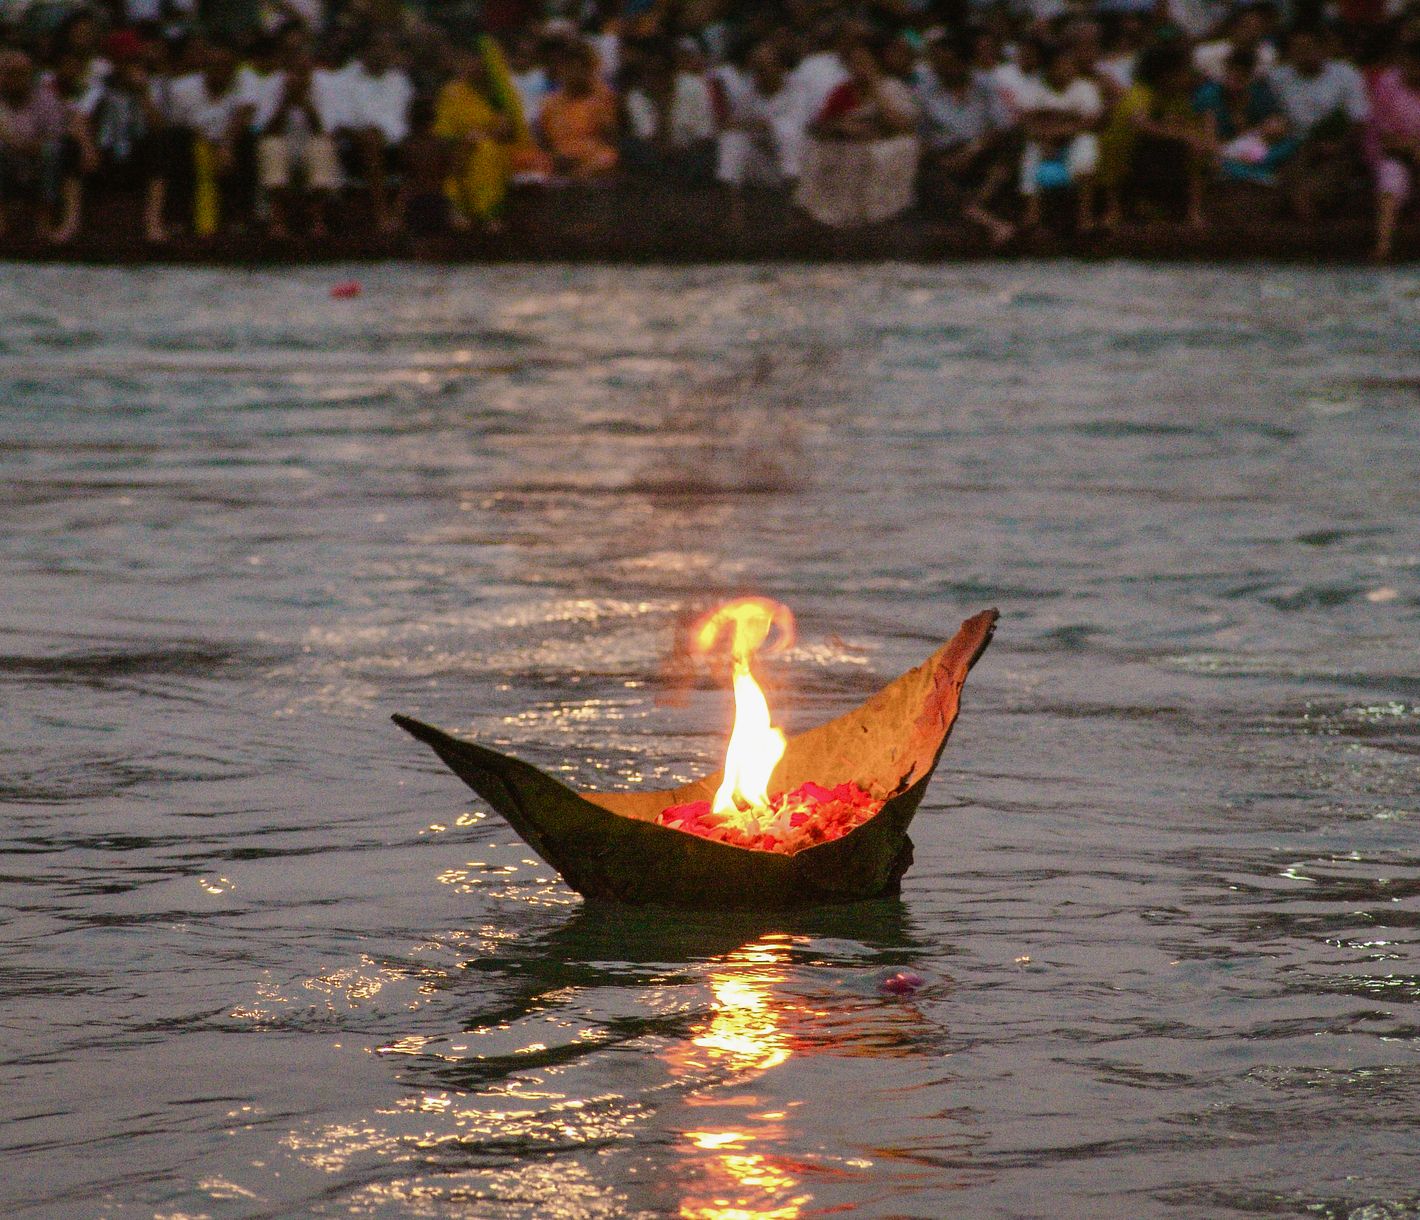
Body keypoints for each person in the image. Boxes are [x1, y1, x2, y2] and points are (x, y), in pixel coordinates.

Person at [795, 34, 920, 228]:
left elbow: (902, 126)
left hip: (883, 145)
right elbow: (820, 125)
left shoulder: (892, 87)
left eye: (863, 61)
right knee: (817, 149)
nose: (857, 66)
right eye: (853, 62)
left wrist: (875, 86)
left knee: (892, 151)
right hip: (845, 146)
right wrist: (841, 126)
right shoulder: (842, 91)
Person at [914, 33, 1018, 245]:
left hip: (982, 149)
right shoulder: (925, 91)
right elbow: (921, 136)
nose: (942, 69)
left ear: (964, 63)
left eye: (949, 63)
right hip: (945, 155)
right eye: (938, 64)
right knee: (926, 173)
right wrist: (946, 157)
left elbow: (1003, 125)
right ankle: (987, 220)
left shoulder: (985, 86)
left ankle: (976, 205)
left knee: (1016, 139)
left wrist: (974, 149)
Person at [1100, 39, 1213, 229]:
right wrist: (1182, 135)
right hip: (1127, 153)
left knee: (1196, 149)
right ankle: (1115, 209)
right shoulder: (1139, 93)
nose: (1188, 76)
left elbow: (1186, 123)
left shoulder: (1178, 97)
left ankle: (1193, 212)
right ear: (1165, 75)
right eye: (1183, 71)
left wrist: (1198, 137)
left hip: (1159, 153)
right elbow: (1140, 124)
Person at [1267, 25, 1368, 220]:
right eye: (1297, 49)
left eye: (1308, 48)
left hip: (1340, 146)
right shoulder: (1278, 78)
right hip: (1296, 146)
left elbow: (1360, 120)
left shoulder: (1346, 75)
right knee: (1293, 184)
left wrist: (1338, 145)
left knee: (1316, 188)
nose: (1303, 54)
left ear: (1323, 48)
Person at [325, 31, 413, 232]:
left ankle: (398, 214)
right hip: (357, 144)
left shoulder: (400, 80)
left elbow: (408, 117)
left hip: (397, 142)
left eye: (387, 47)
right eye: (379, 47)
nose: (384, 52)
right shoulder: (344, 80)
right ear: (365, 51)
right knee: (371, 142)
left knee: (422, 147)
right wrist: (367, 134)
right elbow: (338, 124)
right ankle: (381, 214)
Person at [90, 38, 173, 242]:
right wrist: (87, 148)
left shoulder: (156, 85)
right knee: (69, 147)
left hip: (139, 151)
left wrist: (142, 93)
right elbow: (80, 117)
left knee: (160, 148)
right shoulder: (101, 85)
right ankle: (71, 223)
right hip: (106, 149)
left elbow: (159, 126)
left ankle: (152, 224)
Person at [168, 40, 254, 236]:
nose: (220, 71)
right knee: (176, 141)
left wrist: (226, 145)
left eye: (226, 66)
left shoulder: (243, 81)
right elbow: (181, 126)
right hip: (196, 145)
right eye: (214, 65)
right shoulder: (183, 88)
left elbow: (245, 113)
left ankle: (238, 219)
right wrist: (210, 146)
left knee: (248, 140)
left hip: (229, 145)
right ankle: (180, 219)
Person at [1015, 42, 1103, 232]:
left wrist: (1054, 131)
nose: (1067, 69)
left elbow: (1089, 124)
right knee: (1031, 150)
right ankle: (1032, 215)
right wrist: (1050, 134)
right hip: (1042, 145)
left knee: (1087, 144)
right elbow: (1026, 124)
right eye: (1061, 64)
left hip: (1072, 145)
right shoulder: (1033, 87)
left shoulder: (1085, 88)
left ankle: (1084, 217)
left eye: (1070, 64)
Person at [253, 47, 339, 238]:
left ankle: (318, 220)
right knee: (272, 146)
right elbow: (263, 131)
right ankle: (278, 221)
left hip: (311, 147)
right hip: (283, 148)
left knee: (321, 147)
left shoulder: (326, 86)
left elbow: (326, 132)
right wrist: (285, 102)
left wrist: (306, 104)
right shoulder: (271, 85)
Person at [432, 46, 517, 230]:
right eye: (470, 61)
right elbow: (443, 134)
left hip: (497, 148)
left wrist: (485, 135)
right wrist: (467, 140)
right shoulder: (451, 93)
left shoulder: (499, 93)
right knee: (470, 150)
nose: (476, 67)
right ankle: (466, 209)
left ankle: (487, 211)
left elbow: (509, 130)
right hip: (460, 148)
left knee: (486, 149)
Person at [0, 48, 77, 241]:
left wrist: (21, 145)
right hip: (6, 161)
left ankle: (45, 219)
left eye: (21, 73)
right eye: (10, 73)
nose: (15, 79)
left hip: (38, 161)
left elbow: (54, 138)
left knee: (53, 151)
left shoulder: (46, 100)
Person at [1193, 47, 1292, 186]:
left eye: (1241, 77)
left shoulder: (1259, 92)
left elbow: (1277, 122)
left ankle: (1259, 172)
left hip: (1258, 148)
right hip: (1225, 152)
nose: (1234, 83)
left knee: (1291, 143)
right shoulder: (1209, 95)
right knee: (1220, 164)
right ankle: (1260, 177)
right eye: (1231, 75)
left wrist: (1264, 133)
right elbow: (1209, 139)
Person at [622, 40, 716, 183]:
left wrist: (682, 151)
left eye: (659, 73)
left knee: (709, 153)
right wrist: (661, 106)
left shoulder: (695, 87)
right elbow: (646, 137)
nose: (654, 79)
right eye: (648, 73)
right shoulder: (637, 96)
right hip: (657, 156)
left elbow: (705, 134)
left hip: (690, 153)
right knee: (630, 146)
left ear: (672, 72)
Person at [714, 41, 796, 191]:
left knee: (786, 130)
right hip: (760, 163)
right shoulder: (748, 89)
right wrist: (756, 127)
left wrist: (762, 126)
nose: (758, 73)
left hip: (794, 169)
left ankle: (793, 201)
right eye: (756, 68)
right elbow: (730, 125)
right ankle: (733, 209)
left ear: (780, 68)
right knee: (732, 138)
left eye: (764, 68)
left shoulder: (796, 88)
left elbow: (797, 129)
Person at [1366, 36, 1420, 261]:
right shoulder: (1388, 84)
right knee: (1391, 177)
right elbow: (1383, 135)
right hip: (1393, 153)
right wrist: (1412, 147)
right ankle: (1383, 247)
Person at [539, 40, 619, 180]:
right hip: (559, 160)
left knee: (607, 158)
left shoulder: (603, 97)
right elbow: (545, 142)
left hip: (594, 160)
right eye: (569, 67)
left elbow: (611, 140)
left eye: (582, 66)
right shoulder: (550, 103)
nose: (575, 72)